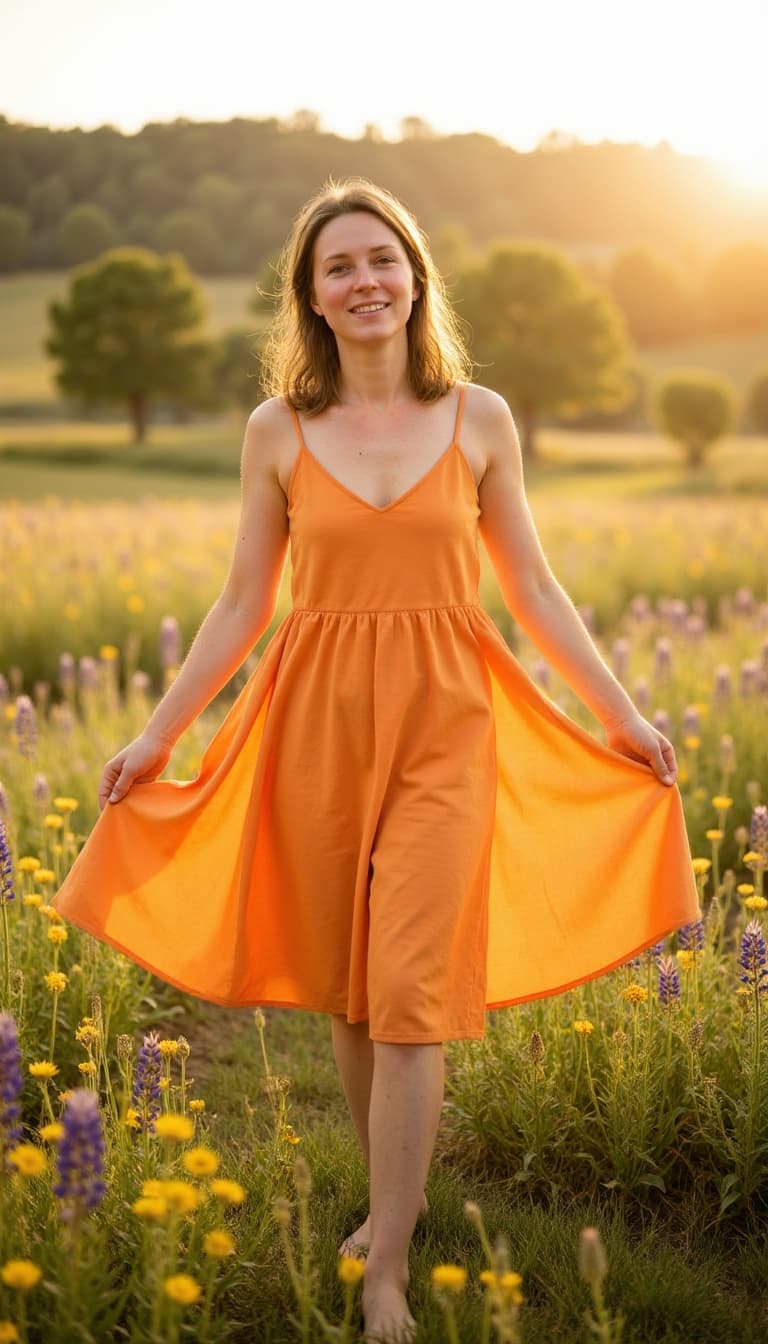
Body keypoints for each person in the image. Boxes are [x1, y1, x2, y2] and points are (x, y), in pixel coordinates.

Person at [53, 178, 700, 1344]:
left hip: (449, 723)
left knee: (410, 989)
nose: (365, 281)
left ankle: (388, 1261)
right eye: (338, 266)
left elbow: (533, 589)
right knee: (353, 987)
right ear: (310, 295)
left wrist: (618, 712)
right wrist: (158, 733)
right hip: (312, 723)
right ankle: (384, 1195)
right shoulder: (279, 431)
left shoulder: (481, 417)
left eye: (382, 260)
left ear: (414, 279)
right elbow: (244, 600)